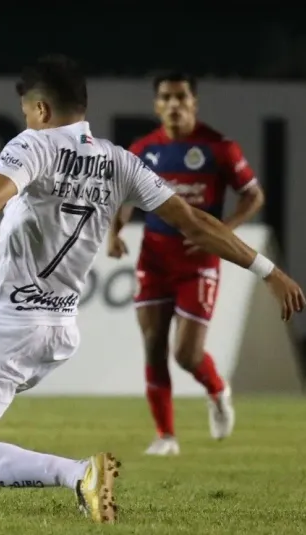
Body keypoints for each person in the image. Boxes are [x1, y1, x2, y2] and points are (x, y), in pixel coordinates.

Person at [0, 55, 304, 524]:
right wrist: (269, 270)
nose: (28, 120)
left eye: (29, 111)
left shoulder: (34, 145)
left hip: (9, 322)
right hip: (57, 330)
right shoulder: (120, 160)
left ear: (42, 111)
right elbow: (196, 223)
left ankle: (77, 473)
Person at [106, 72, 265, 456]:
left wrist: (221, 231)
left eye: (181, 97)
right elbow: (124, 197)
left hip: (199, 261)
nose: (174, 104)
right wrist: (115, 232)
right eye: (166, 97)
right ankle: (165, 437)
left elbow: (253, 196)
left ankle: (217, 390)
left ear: (194, 102)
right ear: (157, 105)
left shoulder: (219, 149)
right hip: (155, 259)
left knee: (187, 354)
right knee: (153, 345)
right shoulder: (143, 149)